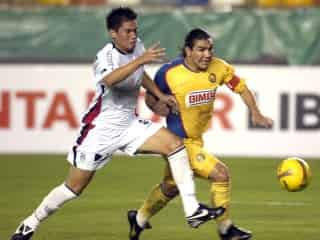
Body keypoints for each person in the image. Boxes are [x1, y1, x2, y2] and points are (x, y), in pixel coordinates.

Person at [10, 9, 225, 240]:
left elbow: (140, 74)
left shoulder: (138, 47)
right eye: (127, 31)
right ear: (113, 34)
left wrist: (159, 95)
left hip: (129, 124)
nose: (133, 36)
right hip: (101, 129)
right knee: (73, 188)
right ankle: (30, 223)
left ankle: (192, 210)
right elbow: (110, 80)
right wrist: (140, 60)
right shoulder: (107, 56)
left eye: (135, 30)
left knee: (175, 145)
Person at [127, 28, 273, 240]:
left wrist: (256, 113)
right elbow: (151, 98)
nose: (207, 54)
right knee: (221, 174)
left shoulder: (220, 68)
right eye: (201, 49)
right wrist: (160, 107)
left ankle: (138, 219)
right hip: (178, 142)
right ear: (188, 50)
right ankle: (226, 229)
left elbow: (241, 87)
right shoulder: (168, 73)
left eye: (210, 49)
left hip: (196, 139)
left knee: (170, 187)